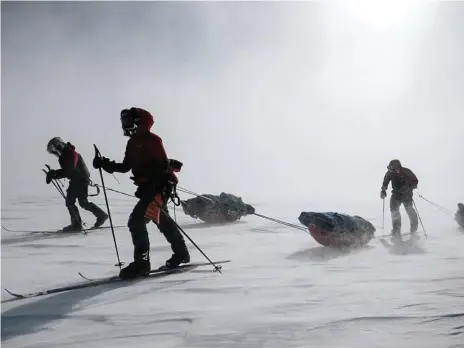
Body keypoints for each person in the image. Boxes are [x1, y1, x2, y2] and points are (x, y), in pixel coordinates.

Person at [92, 107, 190, 279]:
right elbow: (124, 167)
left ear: (138, 122)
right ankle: (181, 254)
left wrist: (155, 184)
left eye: (128, 121)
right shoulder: (132, 142)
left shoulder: (153, 140)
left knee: (136, 221)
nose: (125, 125)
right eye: (123, 121)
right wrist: (104, 163)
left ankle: (141, 264)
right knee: (163, 222)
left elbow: (163, 166)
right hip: (149, 189)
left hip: (159, 188)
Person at [46, 137, 108, 232]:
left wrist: (54, 174)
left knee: (71, 201)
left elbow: (69, 169)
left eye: (56, 150)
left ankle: (77, 225)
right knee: (82, 202)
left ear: (59, 146)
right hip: (77, 179)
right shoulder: (64, 156)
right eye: (54, 152)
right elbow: (68, 171)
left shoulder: (71, 154)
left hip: (80, 180)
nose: (56, 153)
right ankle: (101, 215)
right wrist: (54, 174)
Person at [380, 159, 419, 240]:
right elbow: (385, 181)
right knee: (394, 211)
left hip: (407, 194)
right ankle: (396, 230)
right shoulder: (389, 172)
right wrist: (383, 190)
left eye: (394, 168)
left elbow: (415, 181)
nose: (392, 170)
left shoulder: (406, 171)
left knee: (409, 209)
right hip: (396, 194)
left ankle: (414, 229)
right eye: (390, 168)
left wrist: (408, 188)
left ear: (399, 167)